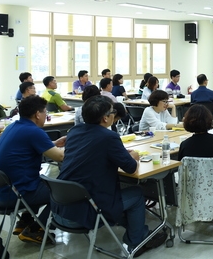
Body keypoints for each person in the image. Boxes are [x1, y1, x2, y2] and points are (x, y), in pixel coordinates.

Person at [53, 96, 167, 256]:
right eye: (113, 112)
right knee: (136, 193)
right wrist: (132, 156)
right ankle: (138, 240)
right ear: (106, 118)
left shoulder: (74, 132)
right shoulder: (108, 137)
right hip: (88, 209)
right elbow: (131, 169)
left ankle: (134, 228)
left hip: (61, 207)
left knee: (117, 190)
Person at [0, 95, 65, 244]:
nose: (46, 116)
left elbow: (29, 145)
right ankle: (35, 229)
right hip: (12, 196)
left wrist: (53, 143)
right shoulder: (34, 131)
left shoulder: (13, 126)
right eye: (45, 113)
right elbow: (60, 157)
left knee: (40, 183)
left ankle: (25, 220)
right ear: (37, 114)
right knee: (62, 193)